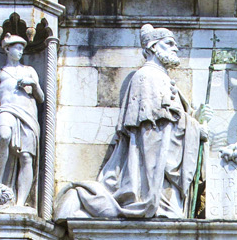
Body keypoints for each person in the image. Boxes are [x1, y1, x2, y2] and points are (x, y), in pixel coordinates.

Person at [58, 25, 200, 220]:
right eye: (169, 44)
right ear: (152, 47)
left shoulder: (161, 77)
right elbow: (151, 131)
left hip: (161, 158)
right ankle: (151, 200)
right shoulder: (147, 76)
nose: (175, 48)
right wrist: (192, 127)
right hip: (152, 163)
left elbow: (169, 123)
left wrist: (193, 124)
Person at [0, 33, 43, 207]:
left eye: (23, 48)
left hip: (27, 114)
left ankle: (20, 203)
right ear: (7, 49)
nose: (21, 51)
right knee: (4, 135)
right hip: (6, 110)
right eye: (17, 47)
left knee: (26, 157)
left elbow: (41, 97)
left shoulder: (29, 71)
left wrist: (33, 84)